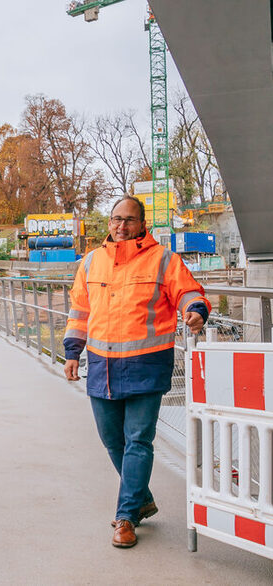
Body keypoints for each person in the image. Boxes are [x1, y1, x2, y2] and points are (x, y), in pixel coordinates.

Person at [62, 196, 209, 549]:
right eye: (116, 219)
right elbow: (80, 311)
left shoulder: (163, 260)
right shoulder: (91, 262)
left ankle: (126, 516)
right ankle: (142, 498)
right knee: (113, 440)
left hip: (146, 365)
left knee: (139, 441)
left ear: (142, 225)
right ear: (108, 222)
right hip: (101, 365)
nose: (121, 226)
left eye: (129, 220)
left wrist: (196, 310)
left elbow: (187, 291)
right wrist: (71, 353)